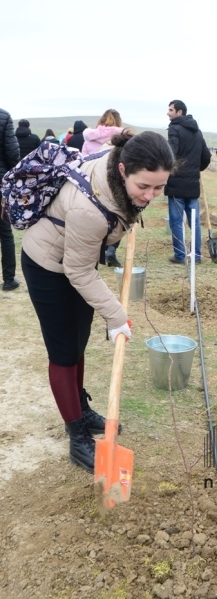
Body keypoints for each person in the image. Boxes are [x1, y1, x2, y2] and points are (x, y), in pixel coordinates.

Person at [21, 130, 174, 473]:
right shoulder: (88, 207)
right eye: (143, 187)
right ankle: (77, 436)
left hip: (77, 259)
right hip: (48, 265)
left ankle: (79, 407)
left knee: (78, 342)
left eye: (158, 187)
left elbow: (82, 265)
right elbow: (78, 272)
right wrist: (117, 315)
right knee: (63, 350)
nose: (150, 195)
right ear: (123, 171)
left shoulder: (118, 165)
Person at [165, 99, 211, 264]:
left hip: (176, 183)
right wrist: (196, 169)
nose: (168, 112)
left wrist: (167, 171)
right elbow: (206, 156)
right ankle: (197, 255)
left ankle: (179, 255)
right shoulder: (197, 131)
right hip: (192, 184)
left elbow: (171, 153)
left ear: (179, 112)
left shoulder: (174, 129)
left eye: (171, 110)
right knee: (195, 222)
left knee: (176, 221)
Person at [82, 109, 125, 267]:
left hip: (93, 182)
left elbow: (83, 160)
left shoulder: (90, 138)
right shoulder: (122, 139)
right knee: (118, 217)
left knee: (93, 217)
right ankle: (110, 250)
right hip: (114, 183)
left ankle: (92, 250)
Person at [0, 107, 21, 291]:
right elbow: (12, 154)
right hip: (0, 185)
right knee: (5, 233)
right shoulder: (4, 116)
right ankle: (8, 279)